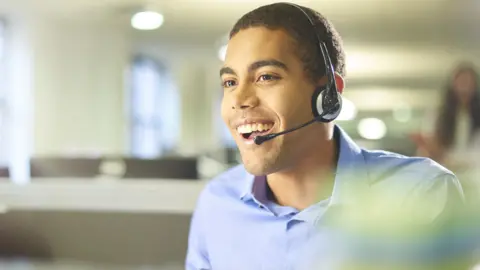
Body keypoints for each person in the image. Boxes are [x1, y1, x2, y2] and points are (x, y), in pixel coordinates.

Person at [186, 3, 466, 270]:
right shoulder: (218, 203)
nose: (240, 100)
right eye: (230, 82)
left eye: (266, 77)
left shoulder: (421, 194)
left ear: (328, 95)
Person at [412, 63, 480, 202]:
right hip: (447, 179)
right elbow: (428, 146)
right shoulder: (438, 115)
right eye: (460, 80)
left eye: (468, 81)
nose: (464, 85)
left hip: (474, 180)